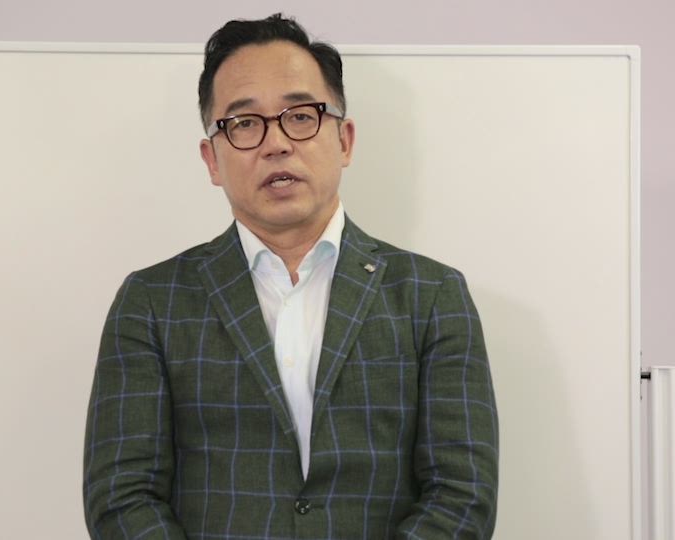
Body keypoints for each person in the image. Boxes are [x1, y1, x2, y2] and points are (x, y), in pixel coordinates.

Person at [83, 13, 498, 539]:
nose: (276, 143)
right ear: (212, 160)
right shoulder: (151, 301)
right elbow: (121, 497)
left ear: (344, 140)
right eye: (244, 123)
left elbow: (462, 494)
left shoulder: (432, 295)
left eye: (301, 116)